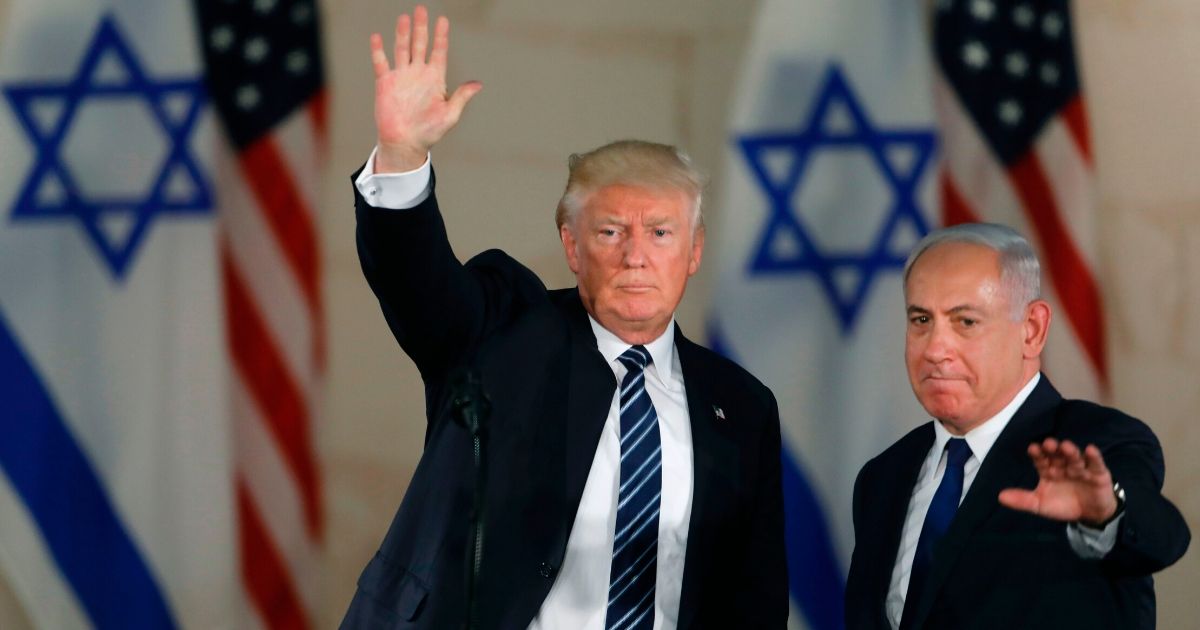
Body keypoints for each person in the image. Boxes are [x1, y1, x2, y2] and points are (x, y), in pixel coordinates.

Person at [340, 6, 788, 629]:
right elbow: (418, 286)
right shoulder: (503, 332)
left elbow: (753, 599)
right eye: (610, 231)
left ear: (695, 251)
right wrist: (401, 154)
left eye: (660, 232)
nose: (635, 255)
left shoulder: (740, 405)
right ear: (572, 247)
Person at [844, 223, 1190, 630]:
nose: (935, 349)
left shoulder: (1098, 443)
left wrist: (1106, 515)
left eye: (965, 322)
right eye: (921, 319)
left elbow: (1160, 538)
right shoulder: (883, 476)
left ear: (1032, 330)